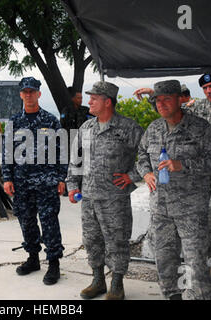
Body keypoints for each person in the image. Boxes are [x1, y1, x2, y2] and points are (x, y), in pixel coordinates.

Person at [134, 73, 211, 281]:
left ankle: (207, 265)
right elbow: (172, 111)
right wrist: (153, 95)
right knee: (206, 219)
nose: (209, 91)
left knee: (210, 217)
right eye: (205, 88)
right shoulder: (199, 107)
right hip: (201, 174)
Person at [137, 80, 211, 300]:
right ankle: (172, 295)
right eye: (157, 100)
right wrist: (146, 173)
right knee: (165, 259)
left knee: (195, 262)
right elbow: (141, 156)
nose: (161, 104)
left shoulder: (200, 128)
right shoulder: (154, 128)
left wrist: (183, 165)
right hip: (161, 208)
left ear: (179, 99)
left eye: (167, 99)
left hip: (191, 209)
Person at [66, 81, 144, 300]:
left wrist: (132, 176)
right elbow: (76, 160)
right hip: (89, 198)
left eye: (94, 98)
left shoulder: (128, 128)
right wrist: (72, 185)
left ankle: (117, 285)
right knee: (92, 240)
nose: (88, 101)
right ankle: (98, 280)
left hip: (115, 199)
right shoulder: (86, 128)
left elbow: (152, 154)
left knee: (117, 241)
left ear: (107, 102)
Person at [2, 76, 67, 285]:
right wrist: (7, 178)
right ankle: (33, 258)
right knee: (26, 221)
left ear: (39, 93)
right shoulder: (13, 122)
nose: (28, 95)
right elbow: (7, 153)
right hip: (22, 183)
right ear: (21, 94)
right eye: (25, 92)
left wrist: (60, 178)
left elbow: (62, 151)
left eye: (32, 91)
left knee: (49, 222)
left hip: (47, 182)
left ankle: (54, 263)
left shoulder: (51, 120)